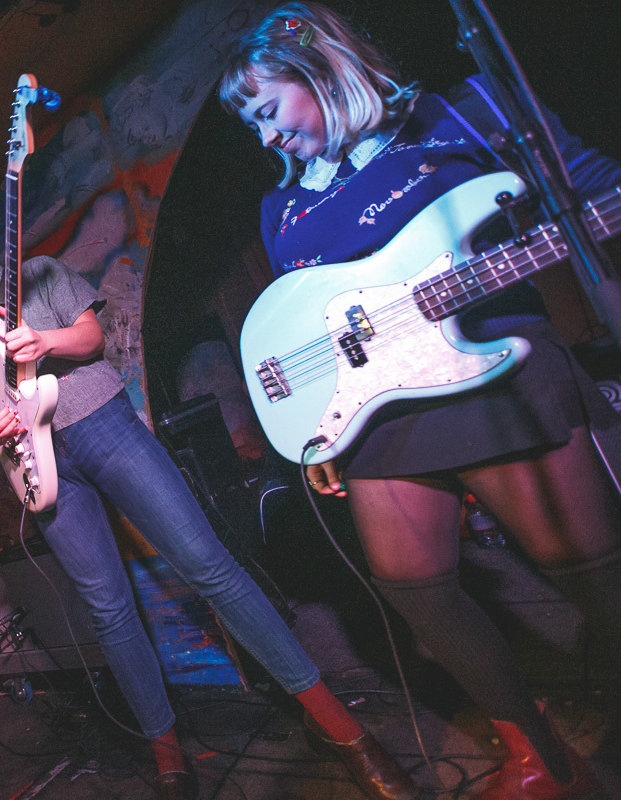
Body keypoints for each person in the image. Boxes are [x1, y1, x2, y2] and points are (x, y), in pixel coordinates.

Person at [217, 4, 621, 799]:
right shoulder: (283, 209)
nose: (265, 137)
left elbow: (593, 189)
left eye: (267, 110)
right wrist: (325, 430)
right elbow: (313, 317)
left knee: (585, 569)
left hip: (495, 373)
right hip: (382, 411)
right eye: (249, 124)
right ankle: (536, 751)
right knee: (412, 581)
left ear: (321, 70)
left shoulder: (457, 114)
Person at [0, 196, 418, 800]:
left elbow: (92, 338)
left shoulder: (40, 273)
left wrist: (41, 341)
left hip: (102, 425)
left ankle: (339, 724)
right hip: (43, 469)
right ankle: (168, 754)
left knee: (209, 566)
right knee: (108, 610)